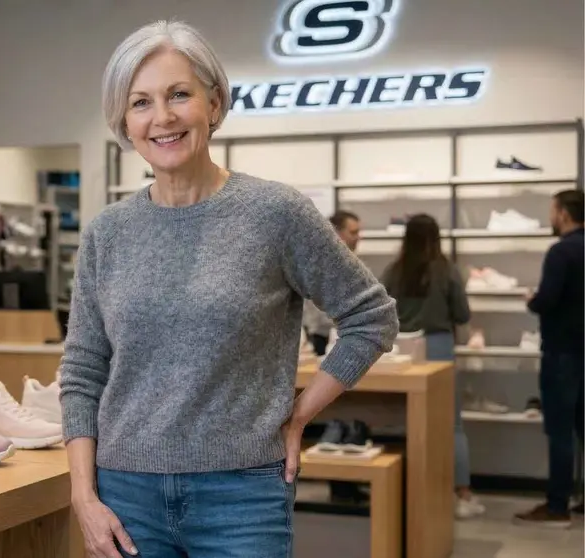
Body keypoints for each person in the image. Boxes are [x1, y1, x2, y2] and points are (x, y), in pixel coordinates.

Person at [60, 20, 399, 558]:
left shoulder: (275, 214)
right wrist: (82, 493)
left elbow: (371, 318)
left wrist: (301, 413)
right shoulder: (108, 232)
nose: (163, 117)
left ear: (213, 104)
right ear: (125, 122)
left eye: (179, 95)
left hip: (242, 495)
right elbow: (82, 371)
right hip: (126, 496)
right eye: (140, 102)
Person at [379, 213, 484, 519]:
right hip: (438, 346)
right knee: (451, 424)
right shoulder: (446, 270)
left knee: (404, 421)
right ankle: (461, 494)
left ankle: (412, 489)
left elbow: (382, 309)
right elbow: (463, 314)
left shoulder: (393, 271)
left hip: (401, 349)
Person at [515, 189, 584, 527]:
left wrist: (532, 299)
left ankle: (557, 506)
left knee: (560, 430)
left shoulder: (561, 252)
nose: (550, 217)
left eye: (553, 211)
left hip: (562, 353)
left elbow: (547, 301)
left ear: (564, 214)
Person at [304, 210, 362, 355]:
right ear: (337, 233)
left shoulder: (351, 263)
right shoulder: (320, 264)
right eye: (353, 232)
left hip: (345, 335)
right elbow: (320, 311)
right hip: (323, 338)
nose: (358, 237)